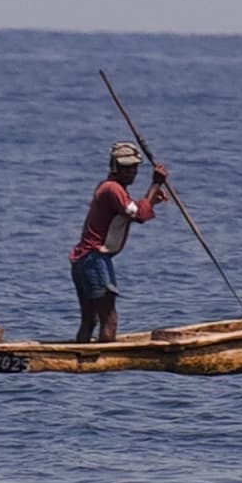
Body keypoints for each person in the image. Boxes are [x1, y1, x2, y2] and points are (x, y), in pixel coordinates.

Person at [67, 141, 170, 343]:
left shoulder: (113, 189)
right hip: (94, 258)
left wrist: (151, 200)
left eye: (134, 168)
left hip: (84, 259)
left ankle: (82, 365)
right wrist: (156, 183)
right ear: (114, 167)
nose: (131, 173)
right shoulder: (112, 189)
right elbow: (138, 214)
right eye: (126, 168)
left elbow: (129, 211)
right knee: (109, 319)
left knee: (90, 320)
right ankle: (103, 370)